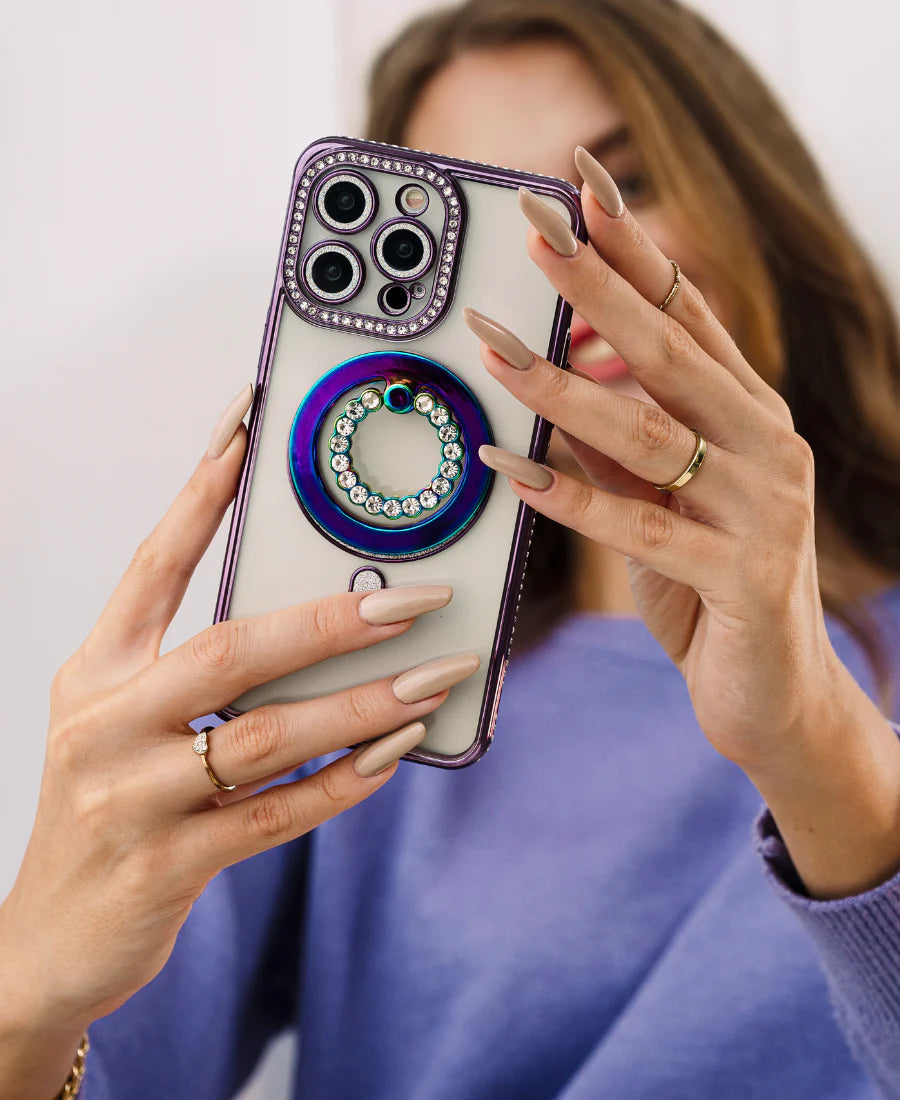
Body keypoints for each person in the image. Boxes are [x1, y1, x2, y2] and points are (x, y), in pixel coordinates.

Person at [3, 0, 900, 1096]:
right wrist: (24, 989)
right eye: (489, 237)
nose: (559, 287)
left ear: (757, 203)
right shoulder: (359, 684)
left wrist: (820, 750)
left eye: (616, 194)